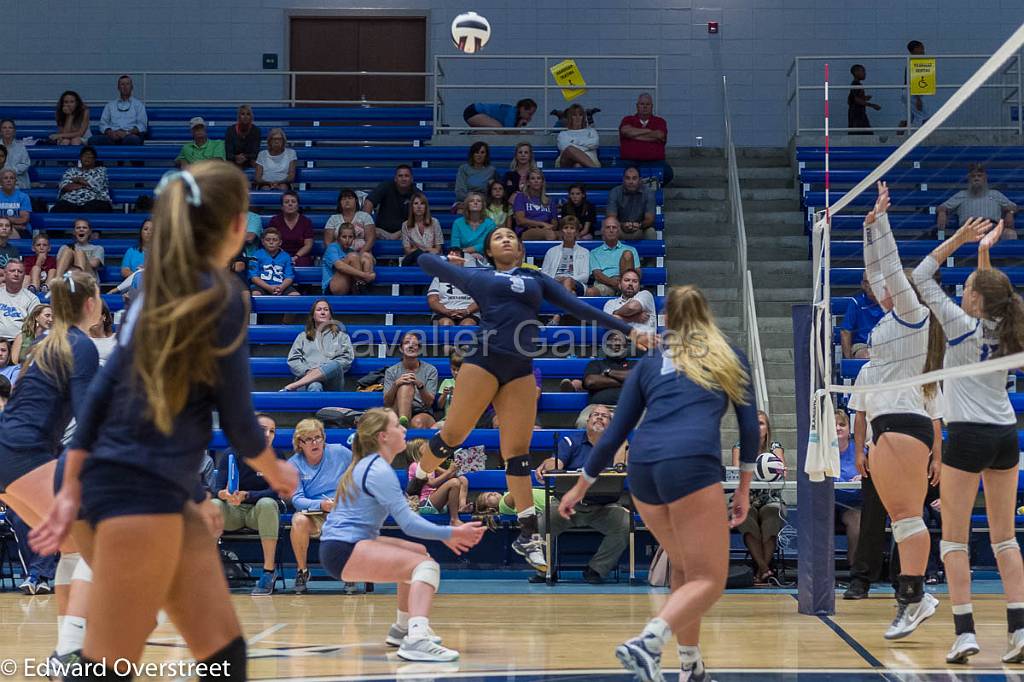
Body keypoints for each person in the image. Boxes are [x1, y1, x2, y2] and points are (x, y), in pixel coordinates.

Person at [30, 162, 298, 679]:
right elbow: (241, 424)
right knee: (107, 667)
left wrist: (69, 486)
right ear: (239, 225)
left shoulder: (151, 291)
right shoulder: (221, 296)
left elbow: (103, 393)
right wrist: (277, 469)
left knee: (224, 657)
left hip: (131, 484)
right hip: (136, 491)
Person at [410, 227, 652, 573]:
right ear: (490, 250)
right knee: (453, 436)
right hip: (483, 359)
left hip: (521, 368)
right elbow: (422, 260)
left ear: (521, 249)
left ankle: (527, 534)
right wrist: (451, 262)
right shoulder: (481, 276)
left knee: (518, 454)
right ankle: (418, 478)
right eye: (498, 238)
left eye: (511, 236)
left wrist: (630, 331)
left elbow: (579, 307)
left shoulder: (535, 279)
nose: (506, 239)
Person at [558, 284, 757, 682]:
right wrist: (744, 487)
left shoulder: (650, 361)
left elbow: (614, 434)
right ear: (706, 316)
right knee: (710, 579)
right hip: (690, 464)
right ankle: (649, 640)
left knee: (684, 567)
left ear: (666, 319)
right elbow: (749, 429)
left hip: (644, 468)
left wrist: (580, 486)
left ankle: (690, 666)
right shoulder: (727, 355)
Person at [911, 215, 1024, 663]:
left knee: (954, 541)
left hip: (968, 437)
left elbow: (920, 276)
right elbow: (998, 293)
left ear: (974, 299)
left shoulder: (959, 323)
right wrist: (983, 253)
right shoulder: (1008, 329)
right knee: (1005, 540)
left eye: (969, 288)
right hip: (1004, 435)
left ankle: (965, 632)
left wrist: (958, 239)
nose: (962, 291)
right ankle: (1019, 632)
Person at [319, 408, 485, 661]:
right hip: (344, 549)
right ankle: (416, 639)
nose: (404, 430)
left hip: (342, 545)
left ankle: (402, 628)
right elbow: (408, 523)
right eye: (398, 425)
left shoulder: (370, 464)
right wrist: (450, 532)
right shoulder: (377, 469)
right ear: (383, 436)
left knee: (418, 553)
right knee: (426, 567)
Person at [856, 181, 944, 639]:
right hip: (885, 426)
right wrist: (868, 228)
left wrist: (884, 225)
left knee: (909, 515)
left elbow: (889, 269)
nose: (883, 288)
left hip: (908, 426)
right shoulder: (889, 319)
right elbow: (876, 273)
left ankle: (914, 598)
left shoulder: (916, 316)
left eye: (895, 286)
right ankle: (915, 598)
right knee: (900, 518)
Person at [0, 271, 101, 668]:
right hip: (25, 455)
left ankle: (66, 650)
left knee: (74, 549)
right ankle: (70, 654)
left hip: (11, 455)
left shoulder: (43, 343)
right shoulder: (81, 345)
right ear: (91, 305)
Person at [534, 404, 630, 584]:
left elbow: (621, 468)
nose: (600, 418)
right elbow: (556, 463)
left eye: (605, 416)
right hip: (566, 506)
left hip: (604, 508)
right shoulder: (571, 440)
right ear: (587, 420)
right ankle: (546, 571)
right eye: (595, 415)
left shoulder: (619, 444)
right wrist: (545, 465)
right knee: (540, 522)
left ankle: (596, 569)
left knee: (625, 524)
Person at [212, 414, 284, 595]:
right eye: (262, 430)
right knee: (213, 504)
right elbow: (217, 490)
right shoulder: (231, 453)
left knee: (268, 503)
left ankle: (268, 572)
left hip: (258, 513)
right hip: (234, 511)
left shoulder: (277, 456)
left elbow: (276, 492)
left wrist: (247, 495)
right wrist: (226, 495)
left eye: (272, 431)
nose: (267, 434)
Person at [288, 418, 352, 594]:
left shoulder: (340, 453)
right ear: (300, 443)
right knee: (298, 520)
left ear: (324, 438)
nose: (314, 442)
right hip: (314, 512)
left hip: (342, 509)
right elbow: (297, 499)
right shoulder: (293, 464)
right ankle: (302, 571)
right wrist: (321, 505)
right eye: (308, 439)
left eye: (318, 437)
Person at [730, 410, 786, 585]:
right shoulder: (740, 446)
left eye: (761, 423)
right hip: (747, 497)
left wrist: (774, 471)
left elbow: (782, 471)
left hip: (771, 497)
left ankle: (761, 570)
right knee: (747, 519)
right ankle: (764, 569)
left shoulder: (775, 447)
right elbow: (736, 473)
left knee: (771, 518)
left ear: (767, 428)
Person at [283, 299, 354, 392]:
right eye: (319, 309)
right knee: (315, 385)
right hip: (306, 379)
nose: (323, 312)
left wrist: (323, 370)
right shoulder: (302, 337)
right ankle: (307, 383)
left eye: (326, 309)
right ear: (313, 315)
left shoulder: (342, 336)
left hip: (332, 381)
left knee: (335, 364)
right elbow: (293, 360)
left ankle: (294, 385)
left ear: (330, 315)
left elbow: (346, 360)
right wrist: (308, 372)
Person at [937, 164, 1017, 240]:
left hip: (992, 229)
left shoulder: (995, 194)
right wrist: (942, 212)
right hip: (968, 230)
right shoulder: (961, 195)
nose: (976, 178)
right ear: (969, 179)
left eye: (979, 176)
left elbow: (1014, 207)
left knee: (1010, 234)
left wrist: (1010, 212)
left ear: (985, 178)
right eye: (973, 176)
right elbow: (942, 207)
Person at [407, 442, 471, 528]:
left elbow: (452, 475)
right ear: (416, 452)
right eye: (426, 449)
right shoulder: (416, 466)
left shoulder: (431, 465)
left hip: (437, 503)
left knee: (462, 479)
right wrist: (449, 471)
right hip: (424, 504)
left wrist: (455, 468)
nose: (430, 450)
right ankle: (454, 519)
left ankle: (461, 507)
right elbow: (432, 483)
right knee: (454, 483)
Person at [383, 332, 438, 429]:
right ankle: (403, 421)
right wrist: (396, 384)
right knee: (405, 385)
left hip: (421, 409)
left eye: (415, 344)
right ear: (401, 348)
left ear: (419, 349)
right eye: (407, 343)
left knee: (418, 423)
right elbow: (387, 402)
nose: (411, 346)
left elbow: (429, 403)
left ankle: (404, 425)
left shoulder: (430, 370)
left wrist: (420, 385)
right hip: (397, 408)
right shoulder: (391, 371)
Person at [618, 93, 673, 185]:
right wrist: (649, 131)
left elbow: (660, 135)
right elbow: (625, 131)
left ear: (652, 106)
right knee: (615, 173)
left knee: (667, 173)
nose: (645, 107)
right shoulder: (628, 119)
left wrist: (634, 135)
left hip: (655, 162)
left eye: (647, 104)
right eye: (642, 104)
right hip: (630, 162)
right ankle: (643, 185)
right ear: (637, 106)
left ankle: (641, 185)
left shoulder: (660, 121)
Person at [834, 409, 863, 568]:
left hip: (852, 504)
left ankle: (854, 566)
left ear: (849, 429)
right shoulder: (821, 452)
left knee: (856, 520)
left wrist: (864, 477)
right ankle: (820, 569)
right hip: (827, 503)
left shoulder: (859, 451)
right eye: (834, 425)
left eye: (842, 425)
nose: (838, 428)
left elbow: (871, 473)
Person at [541, 216, 590, 305]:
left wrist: (567, 279)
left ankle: (556, 316)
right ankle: (563, 316)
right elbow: (544, 274)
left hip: (576, 284)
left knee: (568, 282)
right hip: (554, 283)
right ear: (561, 231)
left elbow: (585, 277)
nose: (568, 231)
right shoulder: (551, 251)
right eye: (566, 228)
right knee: (572, 294)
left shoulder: (584, 252)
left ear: (576, 232)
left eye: (572, 228)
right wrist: (555, 280)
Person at [588, 217, 640, 296]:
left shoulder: (631, 249)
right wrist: (615, 283)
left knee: (627, 254)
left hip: (627, 285)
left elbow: (638, 272)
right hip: (605, 284)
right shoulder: (594, 252)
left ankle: (625, 291)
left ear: (619, 231)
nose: (611, 230)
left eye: (614, 227)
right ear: (602, 231)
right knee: (590, 292)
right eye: (608, 227)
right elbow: (597, 275)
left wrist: (623, 283)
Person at [51, 146, 112, 213]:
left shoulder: (101, 170)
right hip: (70, 201)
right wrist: (86, 184)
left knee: (101, 207)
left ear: (94, 160)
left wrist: (79, 181)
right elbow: (66, 187)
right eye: (85, 156)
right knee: (58, 208)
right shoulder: (71, 170)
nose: (87, 158)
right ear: (80, 158)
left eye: (90, 156)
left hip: (93, 200)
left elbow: (99, 186)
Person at [428, 248, 479, 326]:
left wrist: (466, 311)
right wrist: (446, 311)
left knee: (467, 324)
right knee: (446, 324)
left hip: (469, 312)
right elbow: (432, 300)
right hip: (443, 312)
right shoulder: (438, 277)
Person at [321, 223, 376, 295]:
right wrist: (364, 275)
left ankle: (363, 289)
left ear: (354, 238)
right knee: (353, 256)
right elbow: (339, 266)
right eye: (344, 237)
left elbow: (371, 260)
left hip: (349, 286)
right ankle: (363, 291)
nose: (347, 240)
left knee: (366, 256)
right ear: (338, 237)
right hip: (332, 288)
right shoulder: (332, 248)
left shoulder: (351, 251)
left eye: (350, 237)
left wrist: (370, 270)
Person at [364, 165, 416, 240]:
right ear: (395, 178)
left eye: (406, 176)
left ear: (412, 179)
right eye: (400, 176)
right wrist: (366, 224)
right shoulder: (385, 186)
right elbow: (368, 202)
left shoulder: (417, 194)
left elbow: (420, 219)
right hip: (381, 231)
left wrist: (396, 234)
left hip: (404, 233)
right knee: (365, 230)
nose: (403, 179)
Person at [93, 74, 148, 145]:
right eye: (122, 84)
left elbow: (142, 125)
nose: (125, 87)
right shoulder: (110, 105)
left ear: (132, 87)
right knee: (93, 140)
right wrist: (111, 133)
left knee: (133, 140)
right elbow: (103, 124)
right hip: (112, 136)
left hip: (129, 136)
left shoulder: (139, 105)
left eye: (127, 84)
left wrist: (127, 133)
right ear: (118, 87)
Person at [841, 272, 884, 359]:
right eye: (866, 282)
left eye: (874, 281)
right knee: (866, 355)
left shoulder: (890, 301)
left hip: (886, 344)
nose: (870, 285)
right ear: (863, 285)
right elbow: (845, 332)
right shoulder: (856, 303)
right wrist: (849, 360)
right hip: (862, 345)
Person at [324, 188, 376, 257]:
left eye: (350, 198)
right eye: (344, 199)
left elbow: (371, 239)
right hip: (338, 255)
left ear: (356, 201)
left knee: (366, 260)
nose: (347, 201)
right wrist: (338, 256)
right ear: (340, 203)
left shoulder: (365, 216)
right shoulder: (333, 219)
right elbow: (328, 242)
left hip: (363, 253)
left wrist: (359, 255)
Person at [608, 167, 656, 240]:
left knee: (651, 232)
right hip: (620, 229)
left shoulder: (648, 192)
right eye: (628, 178)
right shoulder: (615, 192)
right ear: (623, 180)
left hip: (641, 229)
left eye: (634, 178)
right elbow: (611, 218)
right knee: (610, 231)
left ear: (640, 180)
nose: (631, 181)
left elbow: (649, 219)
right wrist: (622, 225)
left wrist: (639, 225)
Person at [268, 190, 314, 266]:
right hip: (278, 254)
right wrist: (284, 257)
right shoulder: (275, 221)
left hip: (301, 256)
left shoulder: (306, 221)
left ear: (298, 205)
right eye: (286, 202)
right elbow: (271, 241)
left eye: (293, 202)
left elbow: (308, 245)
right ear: (282, 206)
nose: (290, 204)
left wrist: (296, 256)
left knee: (302, 263)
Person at [451, 191, 497, 267]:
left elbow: (486, 244)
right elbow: (455, 245)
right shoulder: (457, 223)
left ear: (482, 205)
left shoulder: (490, 224)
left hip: (485, 257)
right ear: (467, 205)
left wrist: (465, 250)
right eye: (472, 201)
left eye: (478, 201)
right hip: (462, 257)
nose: (475, 203)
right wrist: (467, 254)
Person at [604, 268, 657, 334]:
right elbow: (608, 322)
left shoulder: (646, 295)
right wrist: (634, 318)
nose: (630, 284)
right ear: (620, 284)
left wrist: (615, 313)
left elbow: (632, 307)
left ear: (639, 286)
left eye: (635, 281)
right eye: (627, 280)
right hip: (620, 342)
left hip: (644, 342)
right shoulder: (610, 303)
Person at [249, 227, 299, 296]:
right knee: (255, 293)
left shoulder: (286, 256)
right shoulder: (256, 255)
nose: (271, 242)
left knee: (295, 295)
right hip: (261, 286)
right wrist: (269, 287)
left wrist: (281, 287)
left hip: (281, 286)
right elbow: (253, 277)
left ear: (280, 242)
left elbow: (289, 277)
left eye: (275, 240)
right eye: (268, 240)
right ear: (263, 242)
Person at [0, 260, 40, 341]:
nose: (16, 274)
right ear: (5, 274)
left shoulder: (32, 298)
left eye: (20, 271)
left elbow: (37, 324)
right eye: (12, 271)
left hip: (21, 342)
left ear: (24, 275)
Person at [513, 169, 558, 241]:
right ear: (528, 182)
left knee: (565, 235)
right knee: (549, 234)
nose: (536, 181)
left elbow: (554, 224)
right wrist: (541, 224)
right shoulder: (521, 197)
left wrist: (547, 227)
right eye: (533, 178)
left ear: (542, 182)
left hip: (547, 229)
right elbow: (520, 220)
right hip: (526, 230)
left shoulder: (549, 201)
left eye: (539, 178)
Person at [401, 193, 444, 266]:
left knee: (421, 257)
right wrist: (428, 249)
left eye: (422, 203)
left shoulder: (434, 222)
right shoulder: (405, 225)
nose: (419, 206)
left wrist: (419, 249)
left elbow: (437, 250)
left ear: (426, 207)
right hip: (414, 258)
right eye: (416, 203)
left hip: (432, 258)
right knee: (417, 257)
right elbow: (407, 251)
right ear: (412, 207)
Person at [557, 103, 600, 168]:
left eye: (580, 115)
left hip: (590, 160)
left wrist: (573, 142)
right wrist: (586, 147)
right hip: (567, 163)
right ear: (570, 117)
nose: (577, 118)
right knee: (570, 149)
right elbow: (564, 147)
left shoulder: (591, 131)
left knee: (578, 165)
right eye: (574, 115)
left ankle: (593, 170)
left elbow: (594, 144)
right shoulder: (563, 134)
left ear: (583, 117)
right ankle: (596, 172)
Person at [901, 40, 931, 130]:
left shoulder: (910, 60)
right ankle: (920, 137)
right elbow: (914, 80)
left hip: (907, 92)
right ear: (915, 49)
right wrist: (918, 98)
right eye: (921, 48)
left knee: (907, 119)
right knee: (925, 117)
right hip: (912, 93)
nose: (923, 50)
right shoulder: (915, 61)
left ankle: (897, 138)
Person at [224, 104, 260, 170]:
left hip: (250, 161)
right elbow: (228, 154)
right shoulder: (230, 130)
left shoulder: (256, 130)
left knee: (258, 165)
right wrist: (236, 157)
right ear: (239, 116)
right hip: (233, 161)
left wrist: (245, 157)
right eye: (243, 114)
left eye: (248, 114)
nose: (245, 116)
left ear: (251, 117)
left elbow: (255, 153)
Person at [848, 64, 881, 135]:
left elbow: (853, 98)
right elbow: (856, 99)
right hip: (857, 114)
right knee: (862, 132)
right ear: (856, 73)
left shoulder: (856, 84)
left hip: (859, 113)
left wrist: (864, 98)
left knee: (863, 132)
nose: (865, 73)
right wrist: (872, 105)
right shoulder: (856, 85)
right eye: (863, 71)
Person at [463, 98, 537, 129]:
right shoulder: (512, 114)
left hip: (476, 112)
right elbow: (509, 135)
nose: (530, 118)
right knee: (499, 129)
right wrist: (520, 125)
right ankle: (474, 133)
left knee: (496, 131)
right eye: (529, 114)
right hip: (473, 112)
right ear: (522, 108)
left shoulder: (516, 115)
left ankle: (475, 132)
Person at [0, 120, 31, 190]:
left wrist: (10, 172)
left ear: (14, 131)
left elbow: (25, 165)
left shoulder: (21, 147)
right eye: (4, 128)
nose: (7, 130)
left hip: (19, 182)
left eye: (10, 128)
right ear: (0, 131)